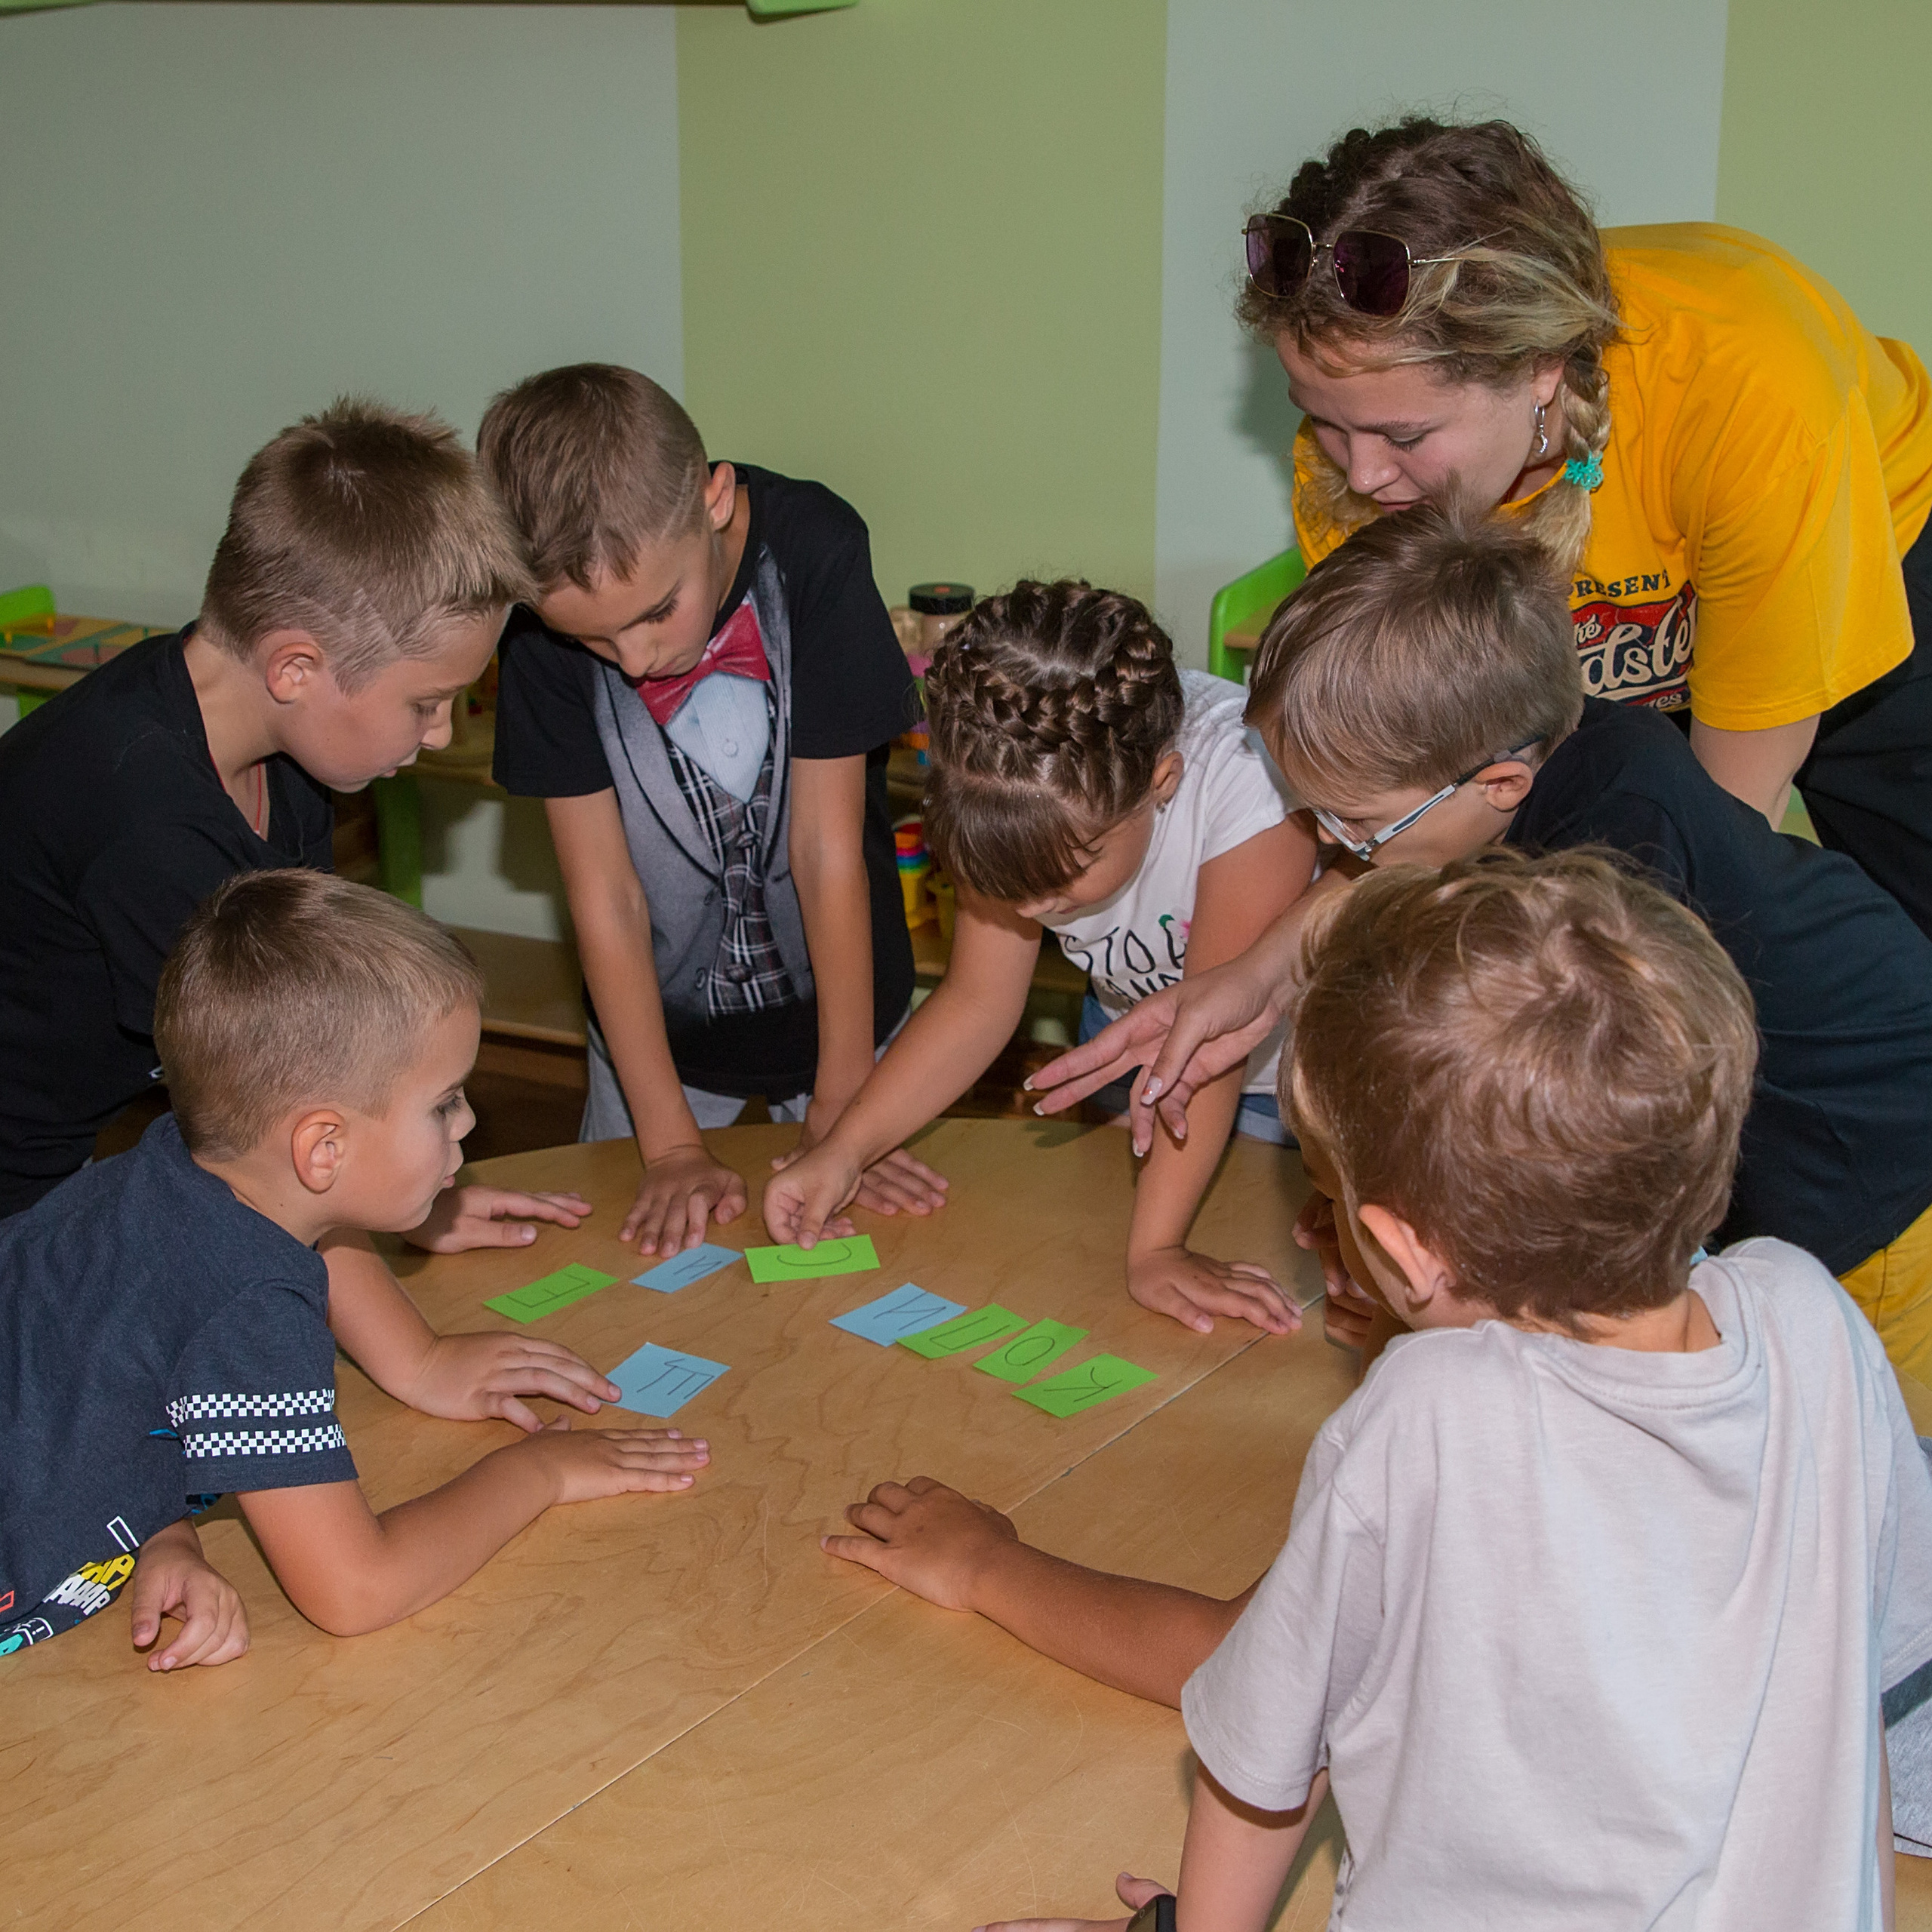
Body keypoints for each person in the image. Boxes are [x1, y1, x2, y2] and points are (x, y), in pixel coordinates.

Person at [960, 854, 1932, 1932]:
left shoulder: (1430, 1410)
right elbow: (1853, 1706)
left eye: (1327, 1198)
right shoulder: (1810, 1313)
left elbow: (1270, 1751)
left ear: (1402, 1250)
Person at [1048, 507, 1932, 1379]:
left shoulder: (1614, 852)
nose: (1328, 848)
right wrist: (1252, 980)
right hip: (1761, 1143)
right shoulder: (1476, 779)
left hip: (1867, 1152)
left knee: (1821, 1452)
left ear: (1500, 782)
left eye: (1351, 822)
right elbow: (1378, 883)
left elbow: (1574, 1139)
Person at [0, 401, 617, 1441]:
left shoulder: (282, 756)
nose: (437, 735)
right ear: (295, 668)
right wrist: (415, 1355)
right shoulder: (146, 826)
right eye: (427, 701)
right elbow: (277, 1135)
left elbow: (335, 1051)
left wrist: (418, 1195)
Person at [1237, 115, 1932, 934]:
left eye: (1404, 436)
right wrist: (1267, 964)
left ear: (1540, 370)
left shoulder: (1748, 384)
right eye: (1321, 420)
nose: (1359, 475)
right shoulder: (1364, 434)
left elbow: (1719, 835)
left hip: (1871, 549)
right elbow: (1430, 789)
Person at [0, 871, 708, 1668]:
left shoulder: (158, 1172)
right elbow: (356, 1590)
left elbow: (80, 1398)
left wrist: (164, 1532)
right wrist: (539, 1469)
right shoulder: (250, 1307)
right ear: (322, 1148)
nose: (469, 1121)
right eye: (444, 1103)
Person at [762, 580, 1317, 1335]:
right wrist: (844, 1150)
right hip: (1132, 1063)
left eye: (1065, 876)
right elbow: (976, 1002)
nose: (1031, 911)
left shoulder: (1252, 781)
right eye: (1010, 887)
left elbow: (1206, 1044)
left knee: (1272, 1302)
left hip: (1288, 1082)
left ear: (1163, 782)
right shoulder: (1008, 772)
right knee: (1098, 1295)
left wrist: (1158, 1246)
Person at [481, 365, 945, 1259]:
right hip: (655, 1056)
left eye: (656, 612)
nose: (634, 658)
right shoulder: (535, 632)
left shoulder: (816, 548)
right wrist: (667, 1145)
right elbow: (606, 898)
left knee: (878, 1266)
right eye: (591, 638)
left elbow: (822, 847)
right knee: (638, 1271)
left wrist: (848, 1109)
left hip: (849, 1025)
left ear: (716, 499)